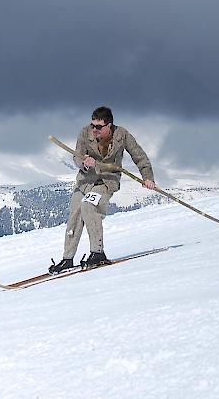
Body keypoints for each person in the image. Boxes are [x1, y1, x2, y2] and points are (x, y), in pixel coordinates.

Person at [49, 106, 155, 273]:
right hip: (85, 181)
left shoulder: (122, 135)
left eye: (99, 127)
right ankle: (67, 258)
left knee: (89, 207)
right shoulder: (85, 133)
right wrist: (84, 162)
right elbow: (77, 156)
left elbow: (139, 155)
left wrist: (147, 177)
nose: (94, 130)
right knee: (74, 216)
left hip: (106, 182)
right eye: (93, 125)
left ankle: (97, 252)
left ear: (109, 126)